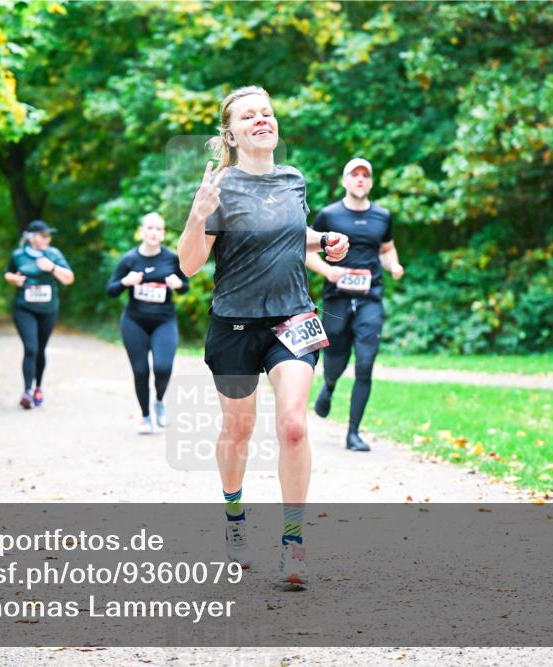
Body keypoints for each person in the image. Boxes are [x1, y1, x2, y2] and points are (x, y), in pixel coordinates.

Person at [177, 86, 348, 589]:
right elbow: (188, 266)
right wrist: (197, 214)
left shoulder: (293, 180)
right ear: (230, 133)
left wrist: (325, 241)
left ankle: (293, 543)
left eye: (266, 113)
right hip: (233, 323)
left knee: (294, 425)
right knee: (239, 431)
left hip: (291, 320)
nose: (261, 120)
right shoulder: (219, 188)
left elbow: (289, 231)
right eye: (248, 116)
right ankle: (235, 520)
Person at [307, 158, 404, 452]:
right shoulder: (329, 215)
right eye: (355, 174)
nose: (360, 179)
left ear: (371, 182)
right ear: (345, 180)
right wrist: (328, 271)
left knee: (365, 363)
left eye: (366, 175)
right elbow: (305, 249)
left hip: (370, 298)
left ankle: (353, 433)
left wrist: (395, 265)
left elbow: (386, 249)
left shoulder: (383, 216)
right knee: (335, 358)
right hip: (336, 298)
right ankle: (330, 386)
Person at [106, 212, 189, 435]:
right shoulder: (129, 259)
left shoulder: (172, 259)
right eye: (149, 228)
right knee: (140, 371)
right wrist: (125, 281)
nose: (153, 232)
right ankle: (145, 417)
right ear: (142, 231)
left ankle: (159, 401)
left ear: (163, 234)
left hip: (164, 320)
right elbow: (111, 290)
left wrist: (177, 284)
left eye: (158, 229)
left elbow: (185, 286)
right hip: (134, 321)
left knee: (163, 367)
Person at [4, 220, 75, 409]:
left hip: (48, 310)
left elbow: (69, 278)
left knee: (41, 349)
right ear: (31, 237)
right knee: (30, 348)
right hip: (24, 308)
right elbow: (8, 273)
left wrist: (51, 268)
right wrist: (13, 279)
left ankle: (38, 388)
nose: (47, 239)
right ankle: (26, 391)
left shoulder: (53, 254)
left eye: (48, 235)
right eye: (43, 235)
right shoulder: (18, 255)